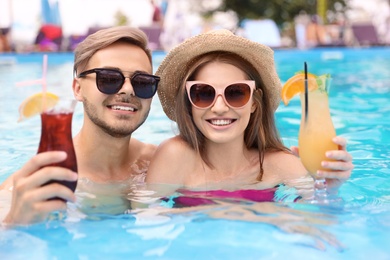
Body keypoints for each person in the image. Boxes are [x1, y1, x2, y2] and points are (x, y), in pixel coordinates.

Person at [146, 29, 353, 201]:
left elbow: (321, 226)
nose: (219, 107)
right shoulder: (174, 157)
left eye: (236, 93)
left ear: (254, 102)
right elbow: (145, 222)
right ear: (189, 103)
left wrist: (330, 190)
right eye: (204, 94)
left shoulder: (281, 164)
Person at [0, 26, 160, 225]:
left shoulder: (159, 163)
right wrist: (14, 222)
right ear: (78, 89)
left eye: (143, 82)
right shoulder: (36, 183)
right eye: (109, 78)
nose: (128, 90)